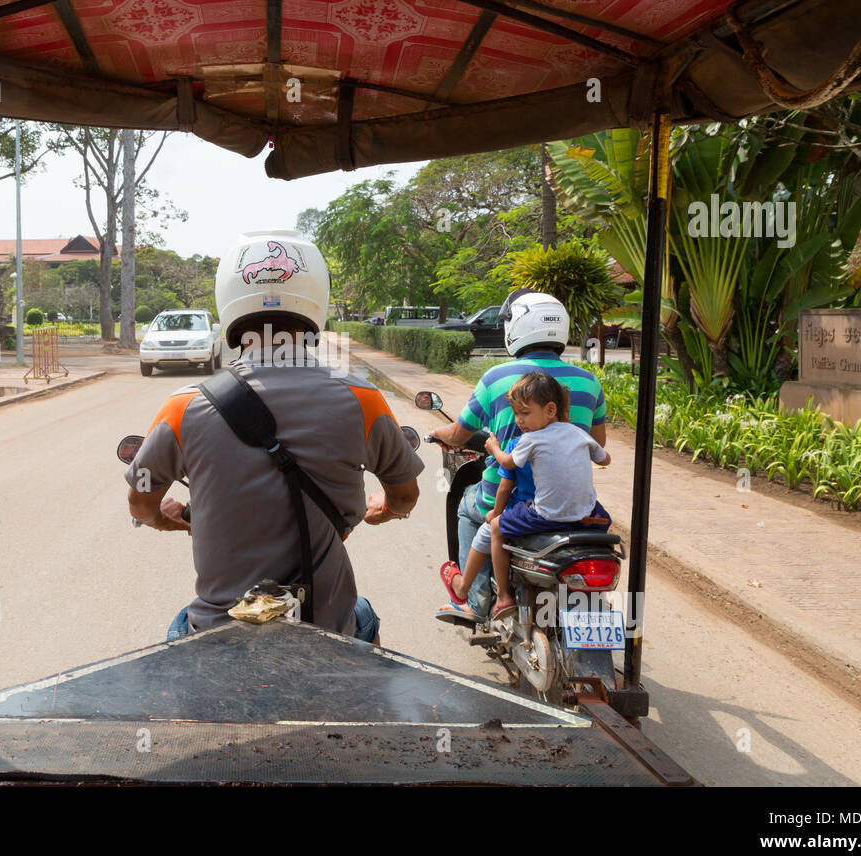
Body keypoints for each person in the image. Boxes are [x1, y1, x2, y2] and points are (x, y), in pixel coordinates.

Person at [125, 232, 424, 645]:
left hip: (219, 629)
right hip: (326, 626)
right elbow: (405, 496)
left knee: (182, 629)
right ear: (316, 302)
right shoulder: (362, 399)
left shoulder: (183, 407)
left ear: (228, 305)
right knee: (362, 614)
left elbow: (141, 504)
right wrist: (385, 509)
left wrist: (165, 519)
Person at [428, 290, 607, 622]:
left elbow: (458, 435)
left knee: (470, 507)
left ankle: (476, 601)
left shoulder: (497, 378)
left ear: (516, 327)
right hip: (571, 503)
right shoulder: (589, 382)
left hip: (519, 501)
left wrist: (438, 435)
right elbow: (599, 444)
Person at [441, 372, 611, 620]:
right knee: (604, 528)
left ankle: (498, 597)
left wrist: (493, 448)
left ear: (551, 409)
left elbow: (506, 471)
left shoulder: (527, 440)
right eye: (516, 414)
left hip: (545, 515)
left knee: (494, 526)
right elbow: (605, 458)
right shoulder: (579, 434)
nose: (519, 420)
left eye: (525, 413)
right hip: (586, 515)